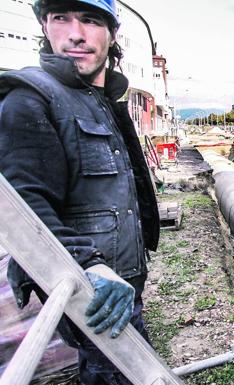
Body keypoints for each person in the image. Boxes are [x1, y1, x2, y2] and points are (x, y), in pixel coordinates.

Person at [0, 0, 160, 383]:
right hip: (93, 292)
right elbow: (24, 208)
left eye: (89, 20)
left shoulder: (98, 101)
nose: (75, 34)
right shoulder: (30, 98)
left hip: (118, 285)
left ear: (111, 33)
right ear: (44, 24)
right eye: (61, 18)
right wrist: (88, 266)